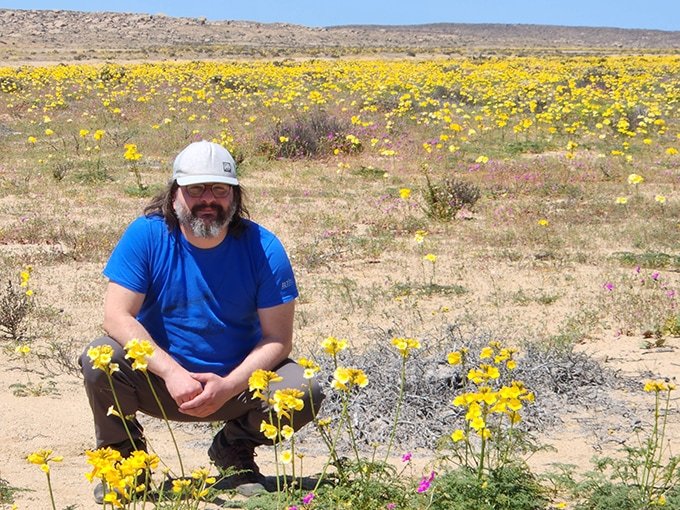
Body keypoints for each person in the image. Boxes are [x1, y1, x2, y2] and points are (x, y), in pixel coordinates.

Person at [80, 140, 323, 500]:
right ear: (176, 192)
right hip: (161, 383)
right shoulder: (147, 235)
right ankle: (125, 460)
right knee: (100, 358)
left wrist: (227, 385)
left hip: (236, 386)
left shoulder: (264, 247)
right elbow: (116, 316)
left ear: (235, 195)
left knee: (305, 387)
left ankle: (234, 450)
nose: (208, 199)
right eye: (196, 189)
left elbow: (277, 339)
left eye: (220, 189)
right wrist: (172, 373)